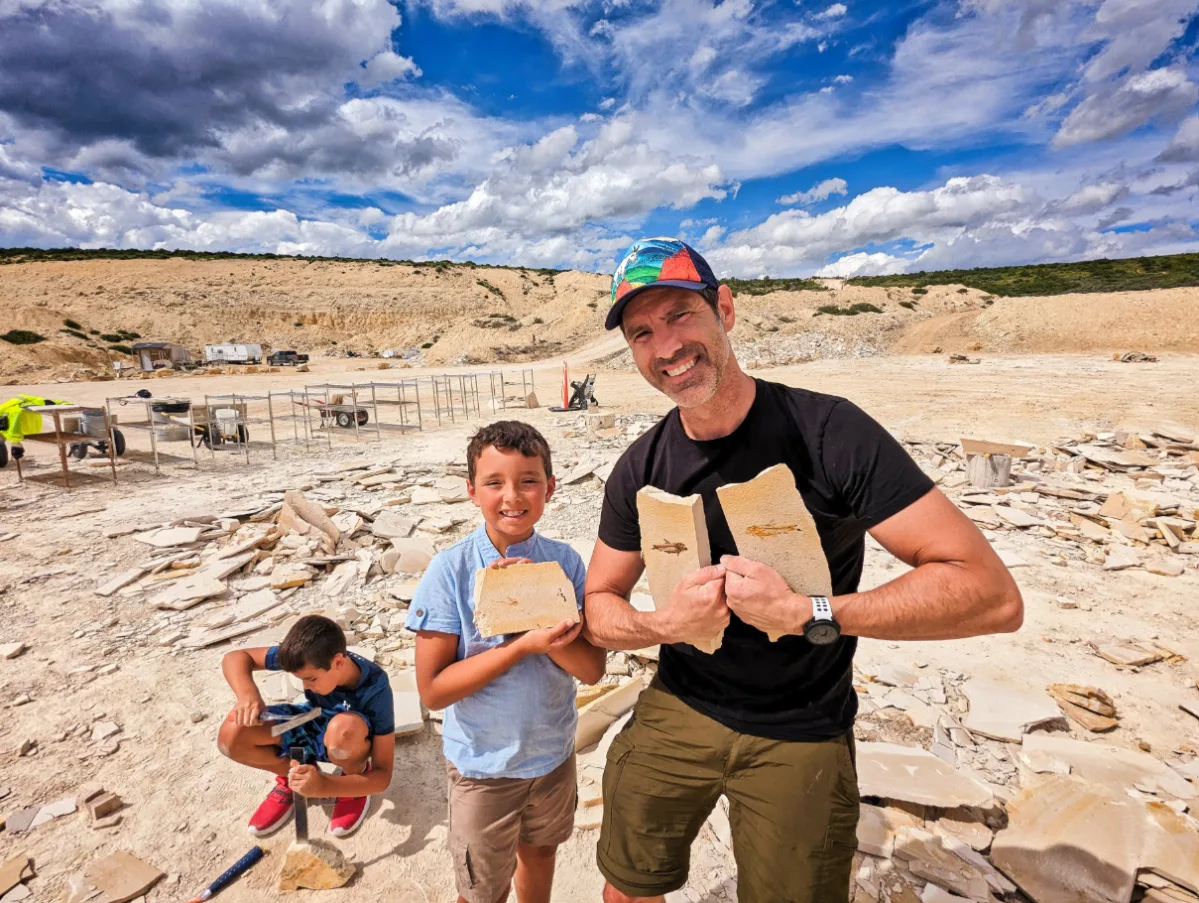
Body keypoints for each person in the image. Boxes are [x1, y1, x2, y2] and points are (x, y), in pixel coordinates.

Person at [583, 237, 1024, 903]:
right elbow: (598, 601)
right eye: (642, 332)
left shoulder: (828, 432)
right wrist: (662, 623)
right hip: (678, 706)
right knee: (628, 883)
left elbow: (989, 593)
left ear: (724, 308)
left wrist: (809, 613)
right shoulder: (641, 464)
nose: (665, 346)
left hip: (802, 724)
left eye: (679, 315)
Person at [407, 420, 606, 903]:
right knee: (480, 889)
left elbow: (592, 670)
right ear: (472, 491)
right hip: (483, 769)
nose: (512, 496)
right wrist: (517, 643)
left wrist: (539, 612)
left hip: (552, 757)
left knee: (540, 854)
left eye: (528, 480)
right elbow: (433, 691)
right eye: (494, 482)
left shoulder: (564, 563)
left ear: (551, 488)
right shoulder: (450, 570)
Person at [217, 614, 395, 838]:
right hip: (310, 718)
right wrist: (247, 695)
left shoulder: (375, 687)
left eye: (311, 679)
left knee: (344, 729)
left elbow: (383, 776)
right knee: (232, 734)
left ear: (338, 662)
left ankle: (352, 784)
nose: (305, 685)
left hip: (346, 739)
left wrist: (325, 786)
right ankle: (293, 776)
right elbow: (236, 657)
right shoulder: (309, 657)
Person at [0, 395, 71, 463]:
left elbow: (13, 432)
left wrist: (16, 444)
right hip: (32, 425)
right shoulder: (24, 401)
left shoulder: (8, 408)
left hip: (25, 425)